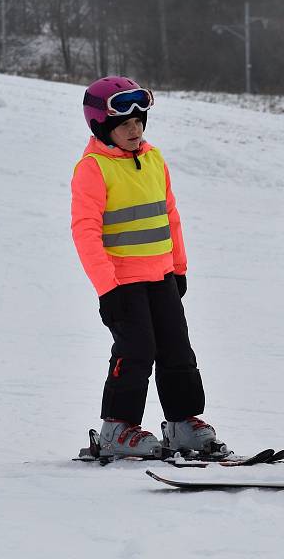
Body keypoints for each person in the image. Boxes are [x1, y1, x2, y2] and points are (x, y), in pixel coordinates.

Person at [72, 76, 224, 459]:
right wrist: (107, 288)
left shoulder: (154, 158)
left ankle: (183, 423)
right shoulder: (94, 168)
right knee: (135, 351)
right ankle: (116, 429)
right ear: (102, 127)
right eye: (124, 124)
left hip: (162, 277)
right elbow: (85, 231)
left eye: (139, 121)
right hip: (122, 283)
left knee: (177, 348)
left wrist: (179, 267)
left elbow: (170, 215)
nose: (134, 129)